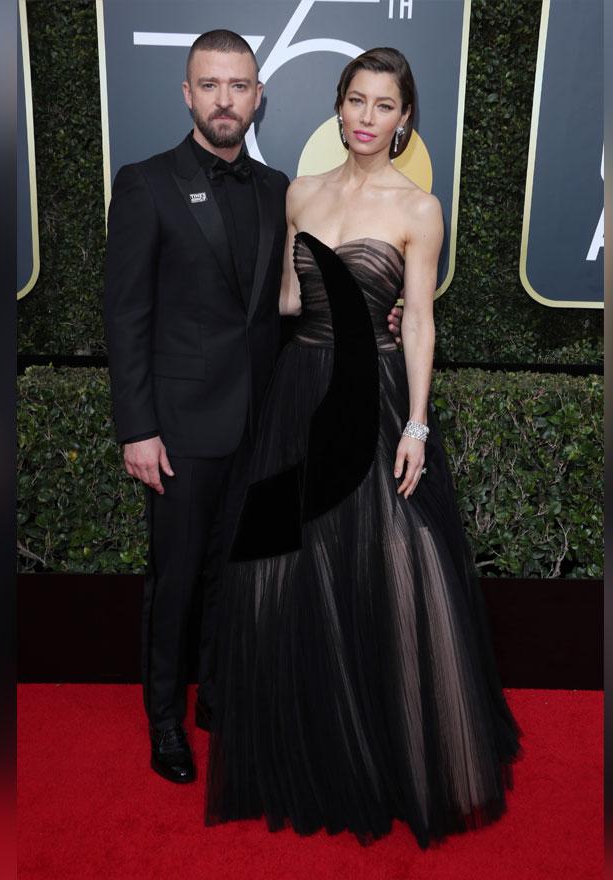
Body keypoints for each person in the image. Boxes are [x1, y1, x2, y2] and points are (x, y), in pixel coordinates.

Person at [204, 48, 522, 848]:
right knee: (285, 573)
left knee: (387, 567)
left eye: (385, 105)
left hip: (373, 402)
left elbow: (419, 319)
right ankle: (303, 743)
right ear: (336, 109)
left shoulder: (418, 208)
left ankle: (386, 752)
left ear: (404, 118)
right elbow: (285, 295)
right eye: (356, 101)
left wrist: (416, 423)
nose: (368, 117)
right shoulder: (300, 195)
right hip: (298, 392)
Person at [102, 31, 404, 785]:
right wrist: (137, 427)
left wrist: (381, 314)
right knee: (175, 578)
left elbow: (303, 301)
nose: (225, 100)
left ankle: (221, 696)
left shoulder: (282, 191)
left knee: (238, 575)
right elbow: (125, 316)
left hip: (268, 425)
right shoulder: (145, 184)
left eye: (239, 86)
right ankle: (166, 721)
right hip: (178, 427)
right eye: (210, 85)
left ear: (258, 95)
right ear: (187, 94)